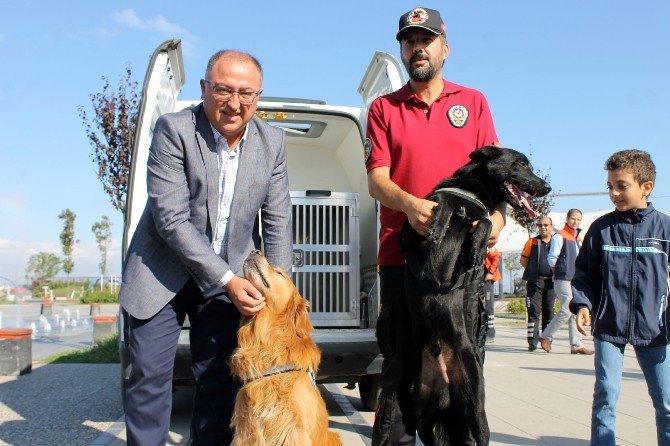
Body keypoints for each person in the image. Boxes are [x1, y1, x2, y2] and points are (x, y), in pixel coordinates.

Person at [118, 50, 293, 445]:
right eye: (223, 90)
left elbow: (278, 223)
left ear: (259, 96)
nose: (234, 104)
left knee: (217, 383)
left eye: (246, 93)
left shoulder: (273, 143)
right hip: (160, 272)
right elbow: (171, 220)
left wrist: (280, 294)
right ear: (204, 88)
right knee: (149, 378)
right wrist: (228, 278)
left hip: (227, 280)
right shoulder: (174, 130)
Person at [365, 7, 506, 445]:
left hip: (463, 267)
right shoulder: (383, 108)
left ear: (445, 47)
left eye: (425, 40)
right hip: (401, 260)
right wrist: (410, 206)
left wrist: (498, 218)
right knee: (401, 371)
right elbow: (376, 180)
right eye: (409, 41)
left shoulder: (474, 102)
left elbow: (495, 172)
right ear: (402, 50)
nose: (417, 48)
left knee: (463, 374)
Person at [571, 149, 670, 445]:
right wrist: (583, 304)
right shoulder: (600, 229)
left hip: (655, 329)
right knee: (605, 400)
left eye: (622, 186)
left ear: (646, 187)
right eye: (610, 187)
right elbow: (584, 273)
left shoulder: (665, 228)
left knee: (666, 403)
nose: (614, 193)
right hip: (609, 328)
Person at [539, 209, 594, 355]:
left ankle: (576, 345)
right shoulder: (560, 236)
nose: (575, 222)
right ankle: (545, 336)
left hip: (574, 279)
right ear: (567, 219)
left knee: (575, 311)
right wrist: (556, 272)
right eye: (573, 219)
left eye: (578, 219)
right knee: (566, 309)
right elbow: (552, 258)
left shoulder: (577, 238)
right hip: (563, 278)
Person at [520, 216, 557, 351]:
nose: (543, 227)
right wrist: (532, 271)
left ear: (551, 226)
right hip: (535, 282)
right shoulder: (532, 242)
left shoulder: (556, 242)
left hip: (551, 283)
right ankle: (533, 341)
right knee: (534, 312)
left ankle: (546, 340)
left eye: (546, 225)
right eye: (540, 225)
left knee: (549, 312)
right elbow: (523, 260)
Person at [484, 246, 502, 343]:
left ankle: (490, 333)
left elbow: (496, 256)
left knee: (488, 306)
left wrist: (490, 272)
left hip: (487, 279)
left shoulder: (489, 245)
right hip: (476, 278)